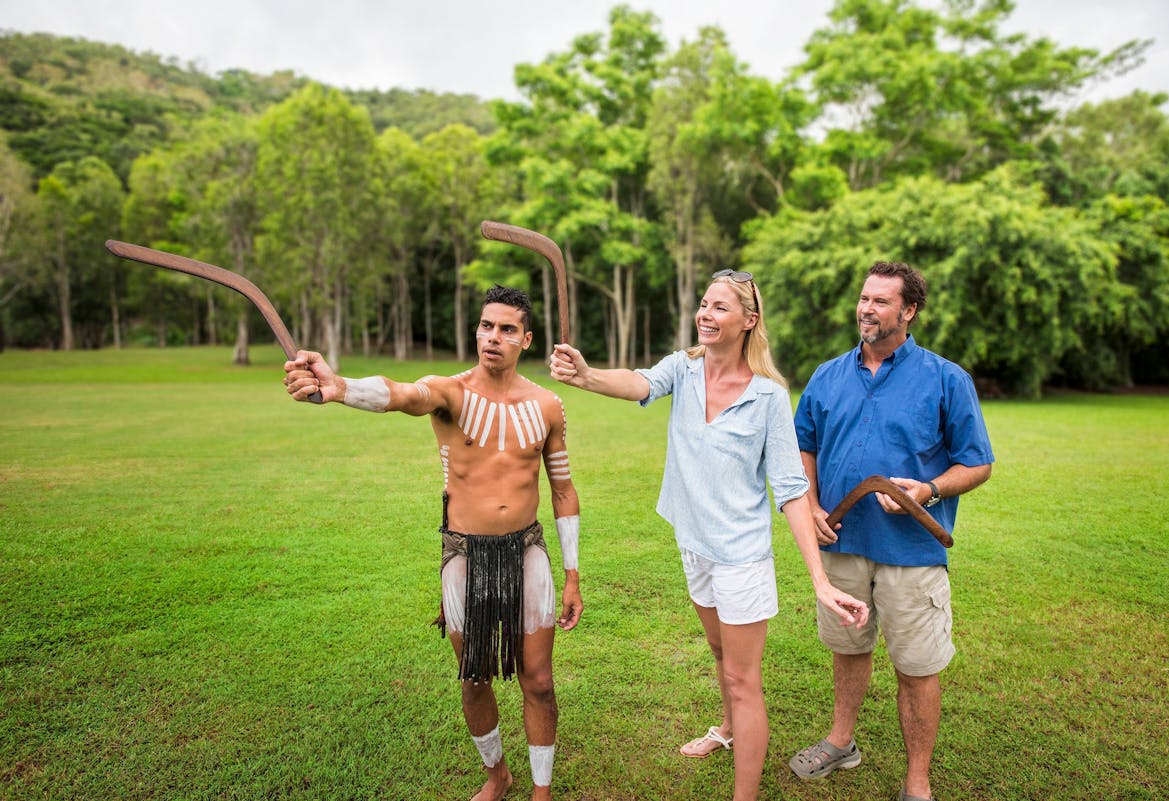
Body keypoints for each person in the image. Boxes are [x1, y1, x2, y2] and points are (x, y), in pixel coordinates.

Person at [550, 270, 868, 801]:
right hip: (695, 545)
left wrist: (818, 580)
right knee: (720, 654)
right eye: (703, 303)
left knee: (744, 680)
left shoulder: (768, 397)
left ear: (749, 320)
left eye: (720, 307)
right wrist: (586, 376)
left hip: (741, 559)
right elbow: (639, 383)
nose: (705, 314)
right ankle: (724, 730)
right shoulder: (685, 369)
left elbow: (791, 490)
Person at [283, 285, 583, 801]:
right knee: (473, 677)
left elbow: (562, 489)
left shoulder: (547, 405)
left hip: (527, 551)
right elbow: (403, 394)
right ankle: (497, 776)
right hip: (464, 555)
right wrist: (341, 388)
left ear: (526, 339)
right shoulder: (451, 392)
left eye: (507, 329)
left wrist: (573, 573)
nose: (493, 337)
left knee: (538, 680)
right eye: (486, 326)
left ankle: (542, 791)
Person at [788, 261, 994, 801]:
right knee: (848, 648)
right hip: (842, 545)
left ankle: (917, 781)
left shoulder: (947, 379)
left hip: (913, 552)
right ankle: (841, 742)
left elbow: (978, 464)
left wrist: (927, 490)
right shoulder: (827, 375)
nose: (867, 309)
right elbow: (803, 445)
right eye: (863, 298)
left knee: (917, 668)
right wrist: (809, 505)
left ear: (909, 310)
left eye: (881, 301)